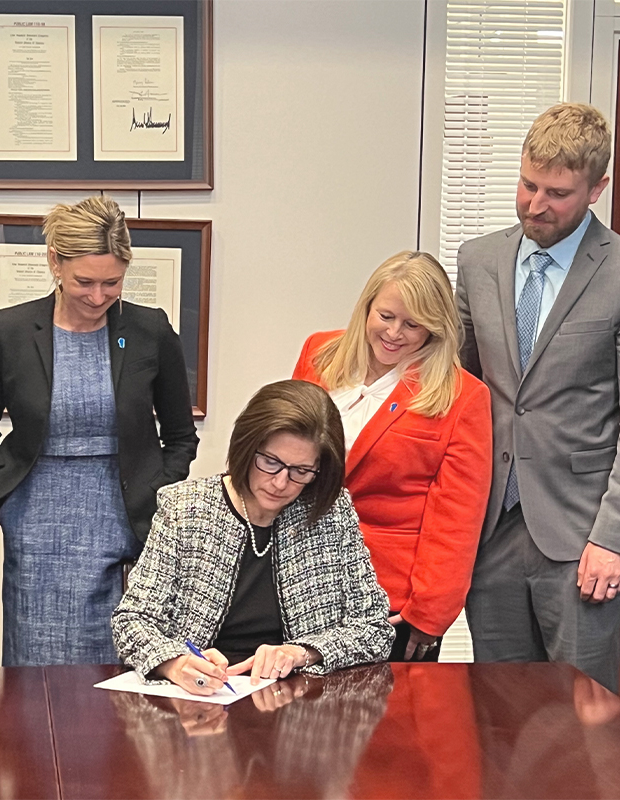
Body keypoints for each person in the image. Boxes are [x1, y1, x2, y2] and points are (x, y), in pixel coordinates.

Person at [0, 195, 198, 666]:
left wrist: (158, 490)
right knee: (35, 658)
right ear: (55, 262)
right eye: (84, 282)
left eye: (111, 283)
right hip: (35, 520)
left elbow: (179, 434)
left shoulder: (149, 330)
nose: (97, 297)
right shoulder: (7, 331)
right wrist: (7, 496)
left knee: (117, 656)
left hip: (125, 513)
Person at [456, 103, 620, 692]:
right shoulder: (478, 260)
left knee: (589, 720)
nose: (535, 205)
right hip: (490, 527)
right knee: (499, 715)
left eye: (558, 193)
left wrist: (611, 538)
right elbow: (457, 386)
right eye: (528, 184)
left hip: (582, 539)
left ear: (597, 188)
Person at [112, 380, 393, 695]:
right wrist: (176, 663)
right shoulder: (185, 508)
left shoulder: (331, 512)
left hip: (301, 708)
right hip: (201, 700)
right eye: (270, 462)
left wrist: (301, 652)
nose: (281, 482)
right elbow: (132, 621)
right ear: (246, 446)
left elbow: (375, 629)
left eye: (301, 470)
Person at [293, 251, 492, 661]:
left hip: (388, 601)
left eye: (413, 324)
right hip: (297, 579)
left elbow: (457, 518)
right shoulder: (318, 354)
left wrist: (430, 613)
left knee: (386, 723)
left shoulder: (463, 397)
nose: (395, 333)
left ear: (434, 329)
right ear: (367, 305)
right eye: (386, 316)